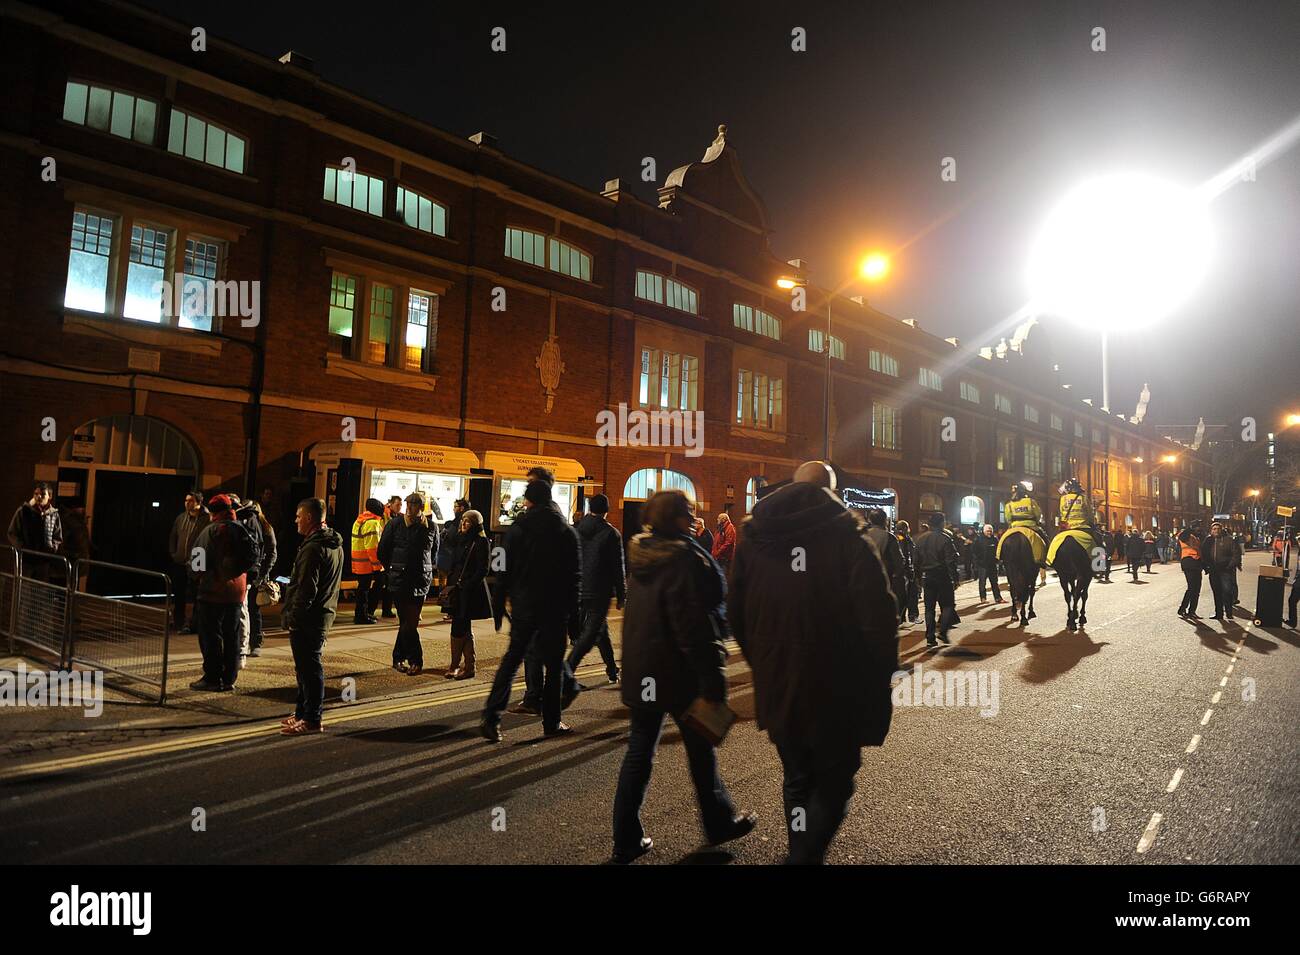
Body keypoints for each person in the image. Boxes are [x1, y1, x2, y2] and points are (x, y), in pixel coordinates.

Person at [730, 469, 898, 865]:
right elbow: (879, 620)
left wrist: (765, 663)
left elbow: (735, 613)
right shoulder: (849, 539)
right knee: (837, 779)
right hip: (836, 684)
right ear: (831, 491)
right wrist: (880, 677)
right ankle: (802, 859)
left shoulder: (754, 539)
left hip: (778, 680)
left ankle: (801, 850)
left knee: (797, 777)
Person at [610, 489, 756, 864]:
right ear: (675, 518)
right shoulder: (684, 559)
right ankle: (719, 821)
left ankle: (626, 837)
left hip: (645, 669)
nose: (694, 518)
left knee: (641, 751)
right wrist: (713, 682)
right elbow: (694, 627)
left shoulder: (642, 553)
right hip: (676, 673)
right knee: (700, 750)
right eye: (688, 512)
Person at [481, 479, 580, 742]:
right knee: (555, 667)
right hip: (554, 609)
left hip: (524, 606)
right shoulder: (566, 532)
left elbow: (502, 567)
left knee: (512, 661)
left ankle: (491, 717)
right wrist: (574, 614)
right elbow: (574, 577)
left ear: (529, 501)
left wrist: (499, 602)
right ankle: (552, 721)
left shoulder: (517, 529)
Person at [280, 497, 344, 735]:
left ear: (308, 518)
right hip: (323, 613)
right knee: (304, 667)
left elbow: (307, 588)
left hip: (309, 618)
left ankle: (312, 718)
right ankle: (301, 712)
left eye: (298, 516)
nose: (295, 520)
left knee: (309, 668)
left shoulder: (313, 547)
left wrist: (293, 617)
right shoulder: (333, 544)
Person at [188, 494, 257, 692]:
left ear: (212, 512)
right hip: (236, 593)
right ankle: (229, 678)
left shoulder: (210, 532)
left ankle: (212, 677)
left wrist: (195, 577)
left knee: (210, 637)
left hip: (212, 593)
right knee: (232, 636)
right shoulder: (243, 529)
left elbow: (197, 565)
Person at [563, 493, 624, 695]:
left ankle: (612, 670)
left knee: (600, 629)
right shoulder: (611, 533)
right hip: (600, 588)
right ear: (607, 510)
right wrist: (622, 594)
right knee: (590, 633)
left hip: (579, 586)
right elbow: (617, 567)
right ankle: (567, 669)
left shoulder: (577, 529)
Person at [377, 491, 437, 675]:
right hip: (400, 580)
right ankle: (416, 660)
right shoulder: (395, 524)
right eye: (407, 504)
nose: (409, 508)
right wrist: (393, 568)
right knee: (409, 623)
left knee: (408, 623)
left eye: (413, 504)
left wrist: (426, 568)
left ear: (421, 507)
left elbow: (433, 553)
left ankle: (397, 657)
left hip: (420, 579)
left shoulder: (431, 527)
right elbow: (382, 551)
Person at [446, 509, 492, 680]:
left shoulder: (481, 541)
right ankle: (467, 666)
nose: (464, 524)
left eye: (468, 521)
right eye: (463, 520)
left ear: (476, 524)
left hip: (469, 591)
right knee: (462, 626)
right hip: (457, 589)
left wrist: (467, 584)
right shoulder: (459, 539)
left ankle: (457, 665)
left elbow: (483, 569)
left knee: (459, 626)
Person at [914, 512, 959, 647]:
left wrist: (917, 578)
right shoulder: (945, 539)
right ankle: (943, 631)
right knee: (948, 605)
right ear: (941, 523)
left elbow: (916, 561)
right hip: (942, 575)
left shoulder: (920, 539)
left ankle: (929, 637)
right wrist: (955, 578)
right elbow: (950, 561)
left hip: (927, 576)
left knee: (929, 608)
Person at [167, 490, 209, 632]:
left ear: (198, 502)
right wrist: (174, 553)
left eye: (190, 501)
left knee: (197, 593)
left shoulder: (207, 518)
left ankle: (195, 623)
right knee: (179, 593)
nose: (187, 503)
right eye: (186, 500)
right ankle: (179, 622)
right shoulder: (181, 518)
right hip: (180, 560)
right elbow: (173, 535)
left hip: (198, 558)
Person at [7, 482, 65, 583]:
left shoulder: (54, 514)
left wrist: (52, 548)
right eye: (36, 494)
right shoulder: (24, 511)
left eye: (42, 494)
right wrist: (22, 547)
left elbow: (57, 536)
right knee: (23, 588)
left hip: (43, 561)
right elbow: (12, 533)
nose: (38, 497)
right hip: (26, 560)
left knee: (40, 590)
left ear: (49, 496)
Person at [246, 501, 277, 657]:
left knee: (253, 610)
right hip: (248, 575)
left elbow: (272, 553)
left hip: (257, 576)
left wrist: (262, 575)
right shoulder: (247, 527)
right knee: (247, 611)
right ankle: (248, 642)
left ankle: (256, 642)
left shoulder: (265, 528)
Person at [864, 509, 904, 623]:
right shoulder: (889, 537)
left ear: (870, 520)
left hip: (864, 575)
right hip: (884, 576)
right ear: (884, 520)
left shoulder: (863, 535)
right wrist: (899, 574)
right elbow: (898, 559)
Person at [349, 498, 385, 625]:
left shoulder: (360, 520)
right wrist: (378, 566)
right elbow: (372, 548)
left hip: (359, 562)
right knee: (365, 590)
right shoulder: (371, 523)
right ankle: (363, 615)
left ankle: (364, 614)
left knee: (362, 589)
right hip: (367, 563)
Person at [436, 498, 469, 622]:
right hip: (447, 558)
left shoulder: (459, 522)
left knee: (448, 585)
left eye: (455, 506)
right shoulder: (454, 523)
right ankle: (449, 610)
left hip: (450, 559)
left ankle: (450, 610)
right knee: (447, 584)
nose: (453, 509)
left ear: (461, 508)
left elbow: (453, 539)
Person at [1203, 522, 1242, 620]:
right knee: (1217, 592)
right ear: (1211, 530)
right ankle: (1218, 614)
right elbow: (1203, 554)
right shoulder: (1208, 540)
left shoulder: (1229, 540)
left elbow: (1236, 554)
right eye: (1214, 529)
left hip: (1225, 570)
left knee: (1227, 592)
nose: (1216, 530)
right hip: (1213, 571)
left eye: (1218, 529)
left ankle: (1229, 613)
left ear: (1221, 530)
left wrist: (1230, 566)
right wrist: (1206, 567)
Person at [379, 496, 403, 619]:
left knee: (390, 584)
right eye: (397, 504)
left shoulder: (399, 517)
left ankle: (387, 609)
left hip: (393, 555)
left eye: (400, 505)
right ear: (391, 504)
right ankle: (385, 609)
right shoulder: (385, 516)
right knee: (385, 584)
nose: (400, 507)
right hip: (387, 553)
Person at [1177, 522, 1205, 619]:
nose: (1198, 529)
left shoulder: (1196, 537)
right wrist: (1190, 528)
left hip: (1197, 564)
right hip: (1188, 562)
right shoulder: (1185, 535)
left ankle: (1191, 611)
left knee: (1196, 589)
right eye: (1197, 527)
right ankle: (1182, 608)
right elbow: (1182, 536)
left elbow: (1199, 551)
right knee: (1192, 588)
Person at [894, 519, 920, 623]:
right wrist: (910, 570)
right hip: (906, 571)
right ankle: (911, 616)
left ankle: (904, 617)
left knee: (905, 595)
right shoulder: (903, 538)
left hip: (903, 571)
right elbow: (906, 555)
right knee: (911, 594)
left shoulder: (899, 537)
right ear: (905, 528)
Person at [973, 523, 1003, 603]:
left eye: (990, 531)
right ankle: (983, 598)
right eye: (987, 531)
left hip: (992, 564)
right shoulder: (978, 540)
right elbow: (974, 552)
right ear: (984, 531)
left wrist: (998, 560)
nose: (989, 532)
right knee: (982, 583)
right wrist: (976, 564)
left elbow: (998, 550)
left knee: (994, 582)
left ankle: (998, 598)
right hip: (982, 565)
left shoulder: (995, 539)